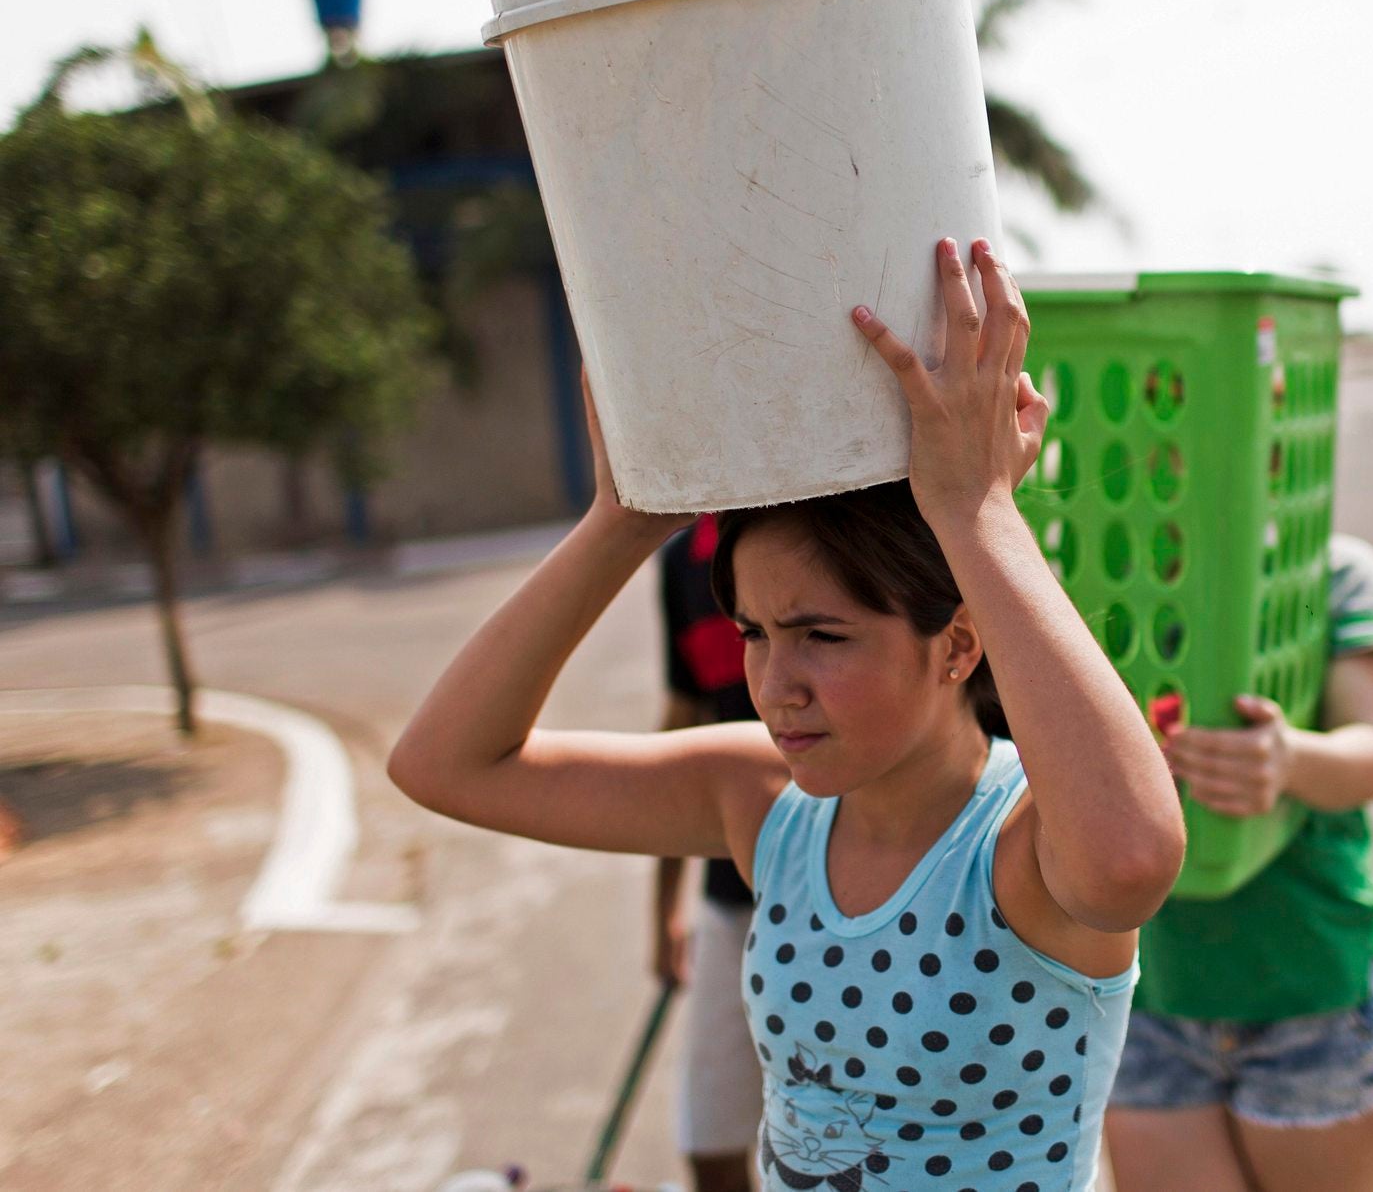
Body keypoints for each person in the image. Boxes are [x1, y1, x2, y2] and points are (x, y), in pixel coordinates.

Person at [389, 238, 1185, 1191]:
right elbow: (446, 764)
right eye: (756, 632)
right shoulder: (762, 800)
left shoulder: (1020, 846)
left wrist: (980, 513)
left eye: (823, 635)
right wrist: (624, 519)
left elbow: (1133, 859)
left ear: (958, 645)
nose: (775, 684)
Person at [1104, 533, 1373, 1192]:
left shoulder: (1335, 572)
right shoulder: (1100, 573)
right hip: (1148, 997)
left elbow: (1369, 755)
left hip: (1314, 996)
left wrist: (1288, 759)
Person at [653, 514, 761, 1192]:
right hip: (734, 895)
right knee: (712, 1142)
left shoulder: (852, 509)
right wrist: (664, 907)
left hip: (878, 886)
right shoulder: (682, 560)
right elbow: (680, 726)